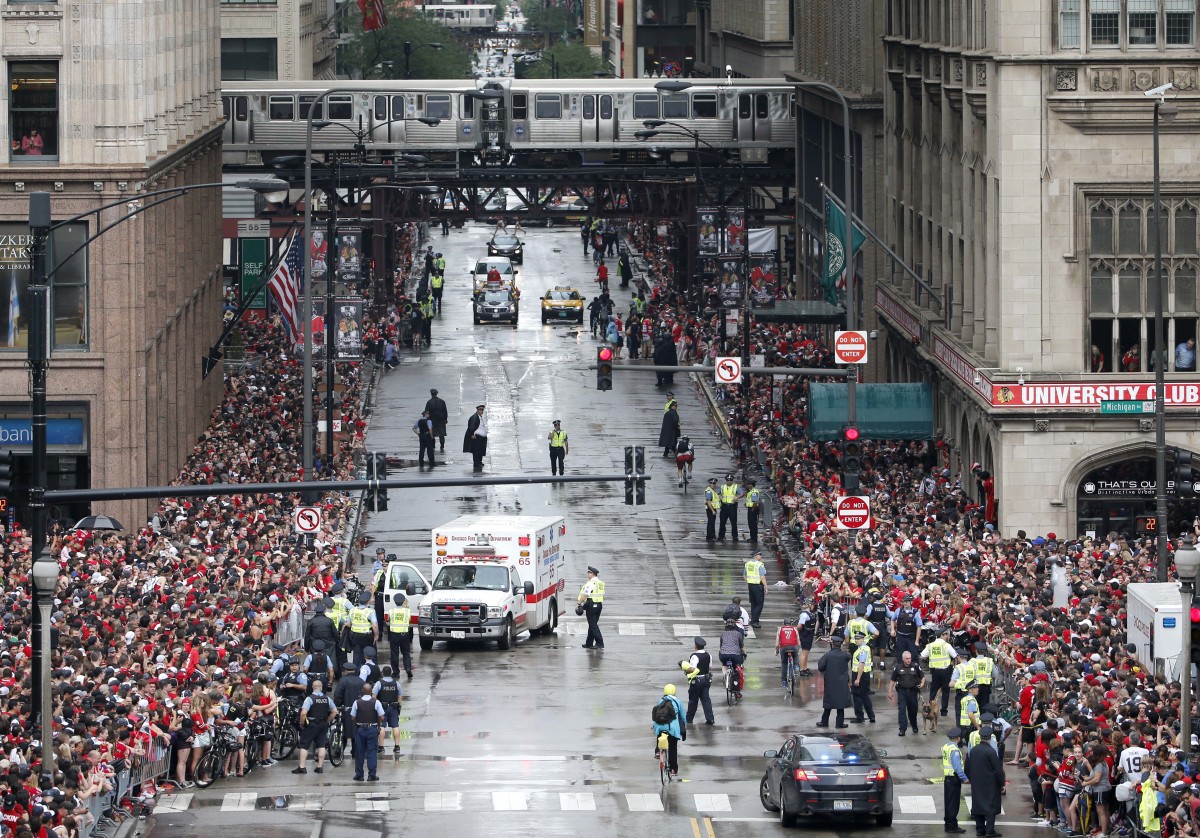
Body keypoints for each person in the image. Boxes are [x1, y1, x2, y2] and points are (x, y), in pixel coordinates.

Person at [965, 721, 1005, 837]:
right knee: (991, 806)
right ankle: (990, 830)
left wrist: (970, 777)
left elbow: (967, 766)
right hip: (990, 783)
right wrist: (1001, 782)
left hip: (977, 782)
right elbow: (998, 769)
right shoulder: (991, 752)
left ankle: (980, 829)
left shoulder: (973, 750)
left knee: (978, 804)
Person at [292, 679, 336, 774]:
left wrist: (301, 722)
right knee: (321, 745)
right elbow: (334, 711)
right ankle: (320, 767)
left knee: (304, 745)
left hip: (311, 724)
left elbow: (303, 713)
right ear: (321, 687)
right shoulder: (327, 698)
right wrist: (328, 720)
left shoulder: (310, 698)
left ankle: (302, 767)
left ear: (312, 687)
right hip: (323, 724)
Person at [816, 634, 852, 729]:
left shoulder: (828, 655)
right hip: (842, 682)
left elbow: (820, 667)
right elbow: (849, 657)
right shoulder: (845, 655)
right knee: (840, 704)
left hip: (830, 682)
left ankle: (824, 722)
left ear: (832, 644)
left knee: (828, 703)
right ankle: (839, 724)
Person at [921, 627, 959, 717]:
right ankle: (944, 711)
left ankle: (930, 708)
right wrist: (954, 666)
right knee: (945, 691)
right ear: (942, 635)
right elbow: (955, 656)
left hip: (935, 672)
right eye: (946, 635)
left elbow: (922, 656)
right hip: (945, 671)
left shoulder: (930, 645)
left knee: (933, 691)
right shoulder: (946, 645)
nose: (947, 637)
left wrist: (930, 659)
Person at [349, 683, 384, 782]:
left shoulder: (357, 702)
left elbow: (352, 717)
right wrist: (376, 721)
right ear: (371, 691)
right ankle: (372, 775)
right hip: (372, 729)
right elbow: (382, 717)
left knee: (359, 752)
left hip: (360, 729)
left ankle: (359, 775)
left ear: (362, 691)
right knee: (372, 752)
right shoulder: (376, 702)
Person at [651, 684, 686, 777]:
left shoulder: (660, 700)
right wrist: (684, 726)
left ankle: (658, 751)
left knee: (659, 735)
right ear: (674, 691)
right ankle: (673, 769)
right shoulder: (677, 701)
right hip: (672, 728)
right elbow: (682, 716)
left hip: (660, 725)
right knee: (673, 748)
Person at [888, 650, 925, 737]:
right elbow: (892, 680)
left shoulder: (915, 666)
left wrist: (922, 683)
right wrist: (890, 691)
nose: (909, 660)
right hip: (902, 692)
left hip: (913, 692)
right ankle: (902, 729)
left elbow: (922, 677)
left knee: (913, 711)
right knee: (901, 711)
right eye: (907, 658)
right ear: (903, 659)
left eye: (910, 658)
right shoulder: (898, 667)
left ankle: (914, 725)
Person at [680, 637, 714, 725]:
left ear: (696, 646)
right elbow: (709, 667)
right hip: (706, 680)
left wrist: (685, 670)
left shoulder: (694, 656)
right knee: (706, 699)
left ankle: (689, 719)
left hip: (697, 681)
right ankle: (710, 718)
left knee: (693, 700)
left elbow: (692, 669)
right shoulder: (708, 655)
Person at [943, 727, 968, 833]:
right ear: (958, 738)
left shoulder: (946, 746)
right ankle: (952, 826)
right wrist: (965, 778)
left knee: (948, 803)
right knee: (953, 804)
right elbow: (957, 767)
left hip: (947, 778)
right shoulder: (954, 750)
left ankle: (948, 824)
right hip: (954, 779)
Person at [374, 666, 404, 757]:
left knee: (382, 727)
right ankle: (397, 746)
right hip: (393, 707)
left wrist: (376, 706)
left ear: (382, 673)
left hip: (382, 708)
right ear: (391, 673)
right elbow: (400, 696)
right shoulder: (396, 683)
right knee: (395, 726)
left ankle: (381, 747)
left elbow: (374, 696)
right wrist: (399, 705)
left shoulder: (379, 683)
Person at [346, 591, 379, 669]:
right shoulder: (370, 611)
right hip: (367, 636)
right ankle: (372, 672)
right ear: (367, 602)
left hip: (355, 636)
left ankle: (356, 673)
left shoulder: (352, 610)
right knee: (370, 653)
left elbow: (348, 624)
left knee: (357, 655)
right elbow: (374, 625)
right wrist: (376, 635)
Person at [384, 592, 413, 679]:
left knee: (394, 654)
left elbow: (388, 620)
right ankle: (408, 669)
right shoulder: (407, 611)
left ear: (394, 601)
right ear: (403, 601)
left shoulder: (391, 611)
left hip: (394, 635)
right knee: (406, 653)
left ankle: (396, 672)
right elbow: (409, 620)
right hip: (404, 635)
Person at [850, 633, 876, 724]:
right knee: (865, 696)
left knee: (857, 696)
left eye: (858, 639)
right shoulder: (865, 648)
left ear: (863, 639)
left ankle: (859, 717)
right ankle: (871, 716)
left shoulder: (862, 650)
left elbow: (861, 664)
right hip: (864, 675)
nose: (856, 640)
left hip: (860, 674)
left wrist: (857, 679)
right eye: (856, 639)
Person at [577, 565, 605, 649]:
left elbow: (585, 594)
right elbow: (602, 594)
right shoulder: (600, 583)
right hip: (598, 605)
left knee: (593, 625)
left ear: (592, 573)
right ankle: (589, 643)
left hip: (591, 605)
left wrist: (579, 603)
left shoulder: (591, 583)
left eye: (588, 572)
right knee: (592, 624)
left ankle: (600, 643)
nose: (587, 574)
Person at [890, 594, 924, 661]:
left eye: (907, 602)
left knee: (913, 656)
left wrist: (917, 641)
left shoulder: (915, 613)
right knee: (900, 656)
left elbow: (919, 627)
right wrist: (892, 630)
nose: (905, 603)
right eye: (904, 601)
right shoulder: (898, 610)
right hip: (900, 636)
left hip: (911, 637)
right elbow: (892, 619)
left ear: (911, 602)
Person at [716, 620, 745, 698]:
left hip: (723, 654)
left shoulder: (722, 634)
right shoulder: (738, 634)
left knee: (724, 663)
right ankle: (737, 690)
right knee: (737, 668)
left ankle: (725, 675)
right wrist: (744, 653)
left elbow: (721, 645)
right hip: (735, 655)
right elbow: (741, 646)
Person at [775, 617, 801, 688]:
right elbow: (798, 642)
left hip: (784, 648)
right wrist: (797, 650)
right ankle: (796, 666)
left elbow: (777, 644)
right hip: (793, 647)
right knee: (795, 655)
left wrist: (777, 651)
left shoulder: (780, 629)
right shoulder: (795, 629)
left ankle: (783, 681)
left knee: (784, 663)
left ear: (783, 624)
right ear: (791, 624)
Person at [743, 550, 767, 627]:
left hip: (750, 585)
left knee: (753, 603)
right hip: (758, 586)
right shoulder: (760, 565)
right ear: (756, 556)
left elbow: (744, 575)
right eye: (760, 554)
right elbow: (762, 577)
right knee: (759, 604)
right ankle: (754, 621)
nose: (761, 556)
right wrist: (766, 586)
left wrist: (749, 581)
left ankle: (754, 619)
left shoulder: (748, 564)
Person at [463, 404, 488, 471]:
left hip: (481, 437)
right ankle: (476, 463)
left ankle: (479, 462)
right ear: (477, 410)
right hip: (477, 437)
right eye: (480, 410)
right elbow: (471, 427)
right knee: (476, 451)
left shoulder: (479, 417)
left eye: (482, 410)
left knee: (480, 450)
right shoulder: (474, 417)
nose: (481, 411)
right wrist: (472, 434)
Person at [423, 389, 449, 453]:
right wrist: (445, 419)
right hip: (441, 420)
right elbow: (445, 411)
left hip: (432, 420)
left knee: (432, 433)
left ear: (431, 394)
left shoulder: (429, 402)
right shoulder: (442, 401)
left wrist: (427, 420)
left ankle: (433, 446)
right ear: (437, 394)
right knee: (441, 434)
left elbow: (426, 412)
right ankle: (442, 446)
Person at [704, 477, 720, 541]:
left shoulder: (713, 490)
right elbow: (708, 501)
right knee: (710, 523)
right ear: (709, 484)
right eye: (711, 483)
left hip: (713, 509)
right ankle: (709, 537)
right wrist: (712, 510)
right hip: (710, 509)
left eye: (714, 483)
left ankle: (712, 536)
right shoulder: (709, 491)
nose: (713, 484)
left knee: (712, 523)